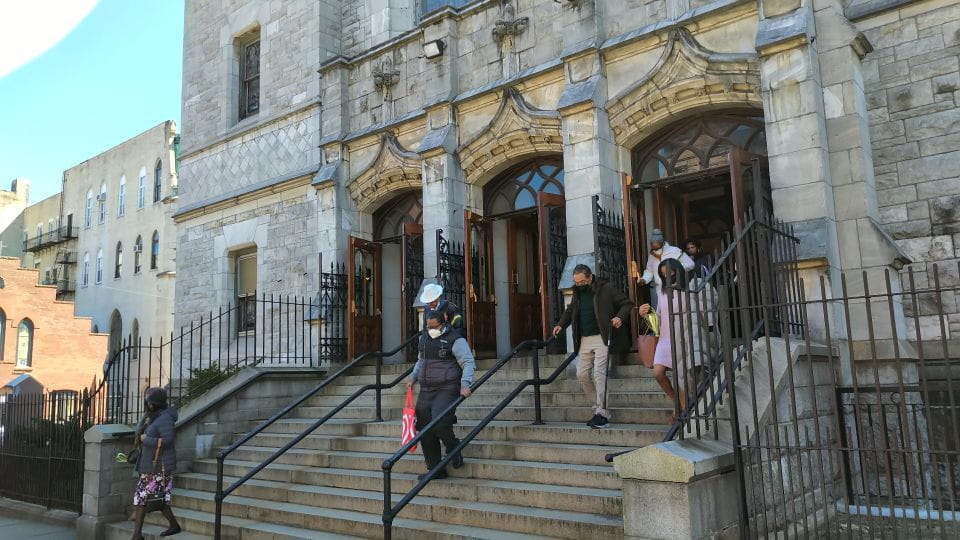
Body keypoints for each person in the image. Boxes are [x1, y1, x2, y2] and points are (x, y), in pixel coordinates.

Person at [552, 264, 634, 429]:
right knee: (582, 374)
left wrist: (619, 317)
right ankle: (597, 408)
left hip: (602, 337)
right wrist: (561, 324)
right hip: (584, 338)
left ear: (590, 277)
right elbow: (570, 311)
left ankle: (601, 413)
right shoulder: (577, 292)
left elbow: (627, 304)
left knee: (599, 374)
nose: (579, 285)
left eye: (582, 281)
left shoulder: (606, 288)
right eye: (576, 282)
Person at [639, 259, 716, 423]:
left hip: (682, 336)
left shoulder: (690, 288)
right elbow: (658, 317)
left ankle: (682, 409)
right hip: (665, 339)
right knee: (658, 373)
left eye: (670, 272)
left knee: (681, 376)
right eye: (663, 274)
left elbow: (703, 310)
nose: (667, 276)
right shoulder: (662, 292)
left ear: (677, 270)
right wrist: (646, 314)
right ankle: (679, 403)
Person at [407, 310, 476, 479]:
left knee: (440, 422)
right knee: (424, 428)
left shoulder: (456, 339)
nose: (431, 330)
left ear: (443, 323)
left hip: (447, 388)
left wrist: (465, 384)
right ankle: (435, 469)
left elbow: (468, 362)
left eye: (434, 327)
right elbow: (421, 360)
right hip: (426, 389)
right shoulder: (424, 339)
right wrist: (413, 377)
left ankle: (454, 448)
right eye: (428, 327)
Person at [130, 388, 180, 539]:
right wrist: (144, 425)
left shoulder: (165, 418)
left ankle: (137, 535)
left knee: (146, 498)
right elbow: (141, 434)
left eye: (150, 402)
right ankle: (173, 525)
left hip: (159, 466)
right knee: (156, 499)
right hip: (151, 465)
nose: (148, 405)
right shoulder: (154, 416)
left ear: (155, 404)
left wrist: (147, 440)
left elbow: (168, 440)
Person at [639, 229, 695, 307]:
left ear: (661, 242)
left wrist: (675, 268)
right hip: (660, 289)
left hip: (676, 287)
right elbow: (649, 271)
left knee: (678, 308)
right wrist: (644, 279)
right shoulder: (652, 256)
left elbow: (690, 264)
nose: (654, 246)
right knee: (662, 310)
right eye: (652, 244)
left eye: (656, 243)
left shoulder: (674, 250)